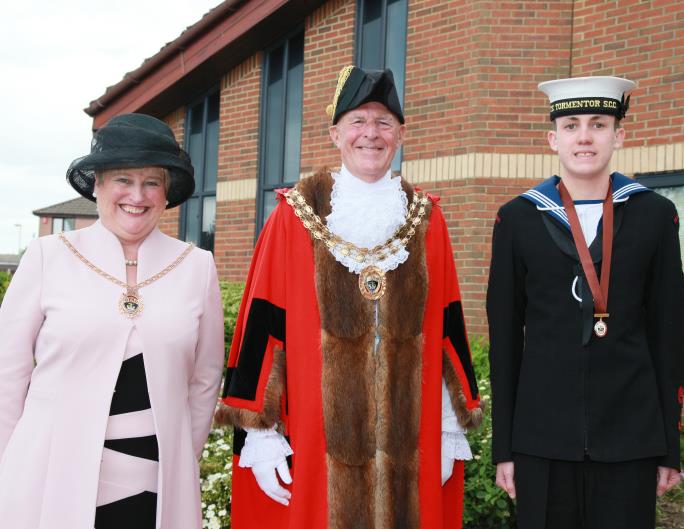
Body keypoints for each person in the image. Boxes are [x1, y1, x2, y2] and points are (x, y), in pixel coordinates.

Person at [214, 65, 482, 529]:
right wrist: (260, 435)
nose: (370, 134)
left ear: (400, 134)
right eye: (358, 121)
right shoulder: (293, 215)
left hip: (408, 436)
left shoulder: (426, 219)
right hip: (317, 437)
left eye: (383, 122)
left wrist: (447, 428)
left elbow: (446, 326)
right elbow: (262, 326)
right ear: (335, 133)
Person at [0, 113, 225, 529]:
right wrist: (9, 462)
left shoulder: (197, 266)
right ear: (98, 185)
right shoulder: (48, 256)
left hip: (157, 491)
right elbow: (7, 373)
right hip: (47, 480)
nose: (136, 196)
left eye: (151, 182)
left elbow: (206, 378)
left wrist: (178, 458)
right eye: (123, 179)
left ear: (166, 192)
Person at [487, 76, 684, 529]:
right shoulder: (517, 218)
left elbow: (668, 333)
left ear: (619, 135)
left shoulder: (654, 215)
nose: (585, 136)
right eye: (572, 125)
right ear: (553, 139)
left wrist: (668, 447)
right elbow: (505, 338)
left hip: (631, 437)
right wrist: (505, 450)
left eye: (598, 123)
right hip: (541, 441)